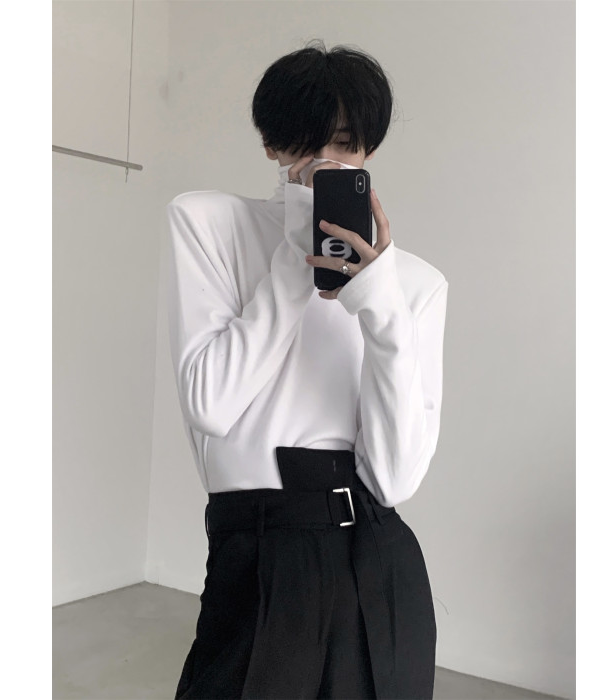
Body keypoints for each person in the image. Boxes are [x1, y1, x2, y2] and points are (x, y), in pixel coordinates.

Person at [166, 39, 448, 700]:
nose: (326, 159)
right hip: (259, 546)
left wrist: (380, 306)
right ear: (271, 144)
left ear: (369, 151)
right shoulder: (209, 222)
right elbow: (210, 402)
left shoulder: (416, 283)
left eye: (345, 144)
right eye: (304, 139)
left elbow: (395, 477)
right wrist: (298, 258)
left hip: (379, 559)